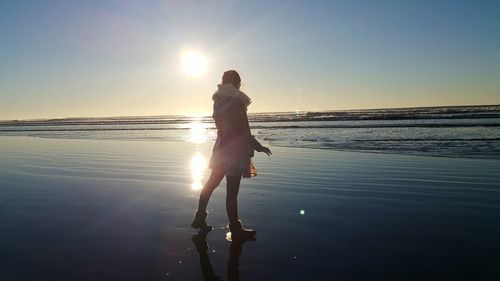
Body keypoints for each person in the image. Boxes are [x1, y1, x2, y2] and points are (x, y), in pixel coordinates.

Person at [191, 70, 271, 238]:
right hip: (234, 153)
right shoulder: (235, 102)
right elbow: (242, 132)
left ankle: (199, 217)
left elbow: (225, 128)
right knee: (231, 193)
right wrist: (258, 146)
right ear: (237, 83)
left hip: (221, 150)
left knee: (210, 184)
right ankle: (235, 229)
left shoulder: (219, 101)